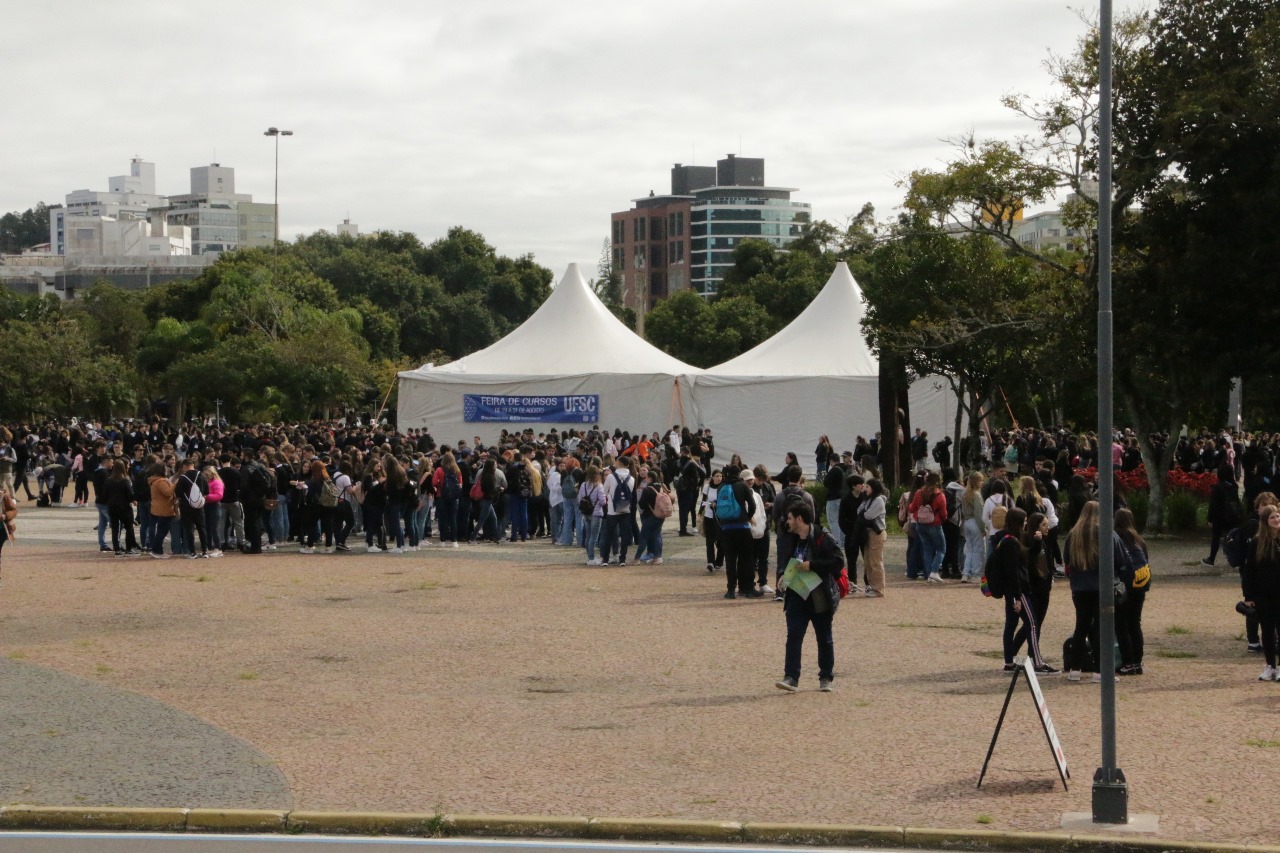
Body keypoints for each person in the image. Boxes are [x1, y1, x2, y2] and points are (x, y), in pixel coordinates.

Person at [775, 502, 844, 692]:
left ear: (799, 519)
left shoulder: (822, 536)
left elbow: (838, 561)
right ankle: (791, 677)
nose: (787, 522)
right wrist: (782, 575)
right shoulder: (791, 538)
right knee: (794, 636)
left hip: (819, 596)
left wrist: (812, 565)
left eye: (790, 518)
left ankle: (826, 677)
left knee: (824, 637)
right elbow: (785, 559)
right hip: (797, 595)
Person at [1062, 500, 1129, 682]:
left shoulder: (1073, 534)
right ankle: (1100, 671)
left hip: (1080, 588)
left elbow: (1066, 559)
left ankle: (1075, 669)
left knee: (1081, 627)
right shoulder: (1107, 533)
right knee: (1101, 629)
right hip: (1102, 587)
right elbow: (1121, 558)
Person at [990, 508, 1055, 673]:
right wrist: (1017, 597)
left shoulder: (1008, 540)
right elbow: (1013, 572)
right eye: (1024, 520)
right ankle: (1037, 662)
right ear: (1018, 522)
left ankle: (1009, 662)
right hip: (1018, 591)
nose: (1026, 522)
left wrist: (1037, 542)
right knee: (1032, 623)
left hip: (1011, 590)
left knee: (1011, 624)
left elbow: (1027, 556)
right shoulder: (1011, 543)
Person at [1242, 504, 1280, 681]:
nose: (1276, 520)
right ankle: (1270, 665)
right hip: (1263, 595)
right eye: (1272, 517)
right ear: (1265, 521)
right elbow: (1249, 570)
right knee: (1267, 631)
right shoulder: (1257, 542)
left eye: (1278, 516)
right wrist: (1248, 596)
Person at [1114, 508, 1149, 676]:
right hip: (1139, 585)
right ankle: (1138, 661)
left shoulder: (1116, 537)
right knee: (1135, 623)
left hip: (1123, 586)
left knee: (1122, 625)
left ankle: (1127, 661)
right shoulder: (1139, 540)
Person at [717, 467, 759, 599]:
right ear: (739, 475)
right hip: (742, 527)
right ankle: (747, 588)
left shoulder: (721, 487)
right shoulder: (742, 486)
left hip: (726, 528)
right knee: (746, 559)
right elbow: (752, 505)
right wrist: (747, 517)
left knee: (730, 560)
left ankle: (730, 590)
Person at [908, 471, 948, 583]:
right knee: (941, 548)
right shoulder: (940, 495)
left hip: (920, 524)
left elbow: (911, 508)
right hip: (935, 524)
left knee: (927, 549)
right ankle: (934, 572)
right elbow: (944, 513)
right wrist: (942, 519)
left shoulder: (919, 492)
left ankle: (928, 574)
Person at [1203, 463, 1243, 566]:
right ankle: (1236, 558)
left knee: (1216, 538)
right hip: (1231, 516)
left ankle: (1211, 558)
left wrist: (1209, 518)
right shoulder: (1233, 486)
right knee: (1232, 537)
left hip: (1219, 516)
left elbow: (1213, 504)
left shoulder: (1217, 487)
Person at [857, 478, 887, 597]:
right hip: (867, 533)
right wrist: (863, 512)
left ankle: (878, 589)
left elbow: (868, 515)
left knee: (876, 562)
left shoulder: (879, 500)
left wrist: (863, 513)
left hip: (876, 533)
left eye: (868, 487)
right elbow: (858, 510)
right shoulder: (868, 499)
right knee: (868, 562)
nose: (865, 489)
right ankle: (872, 585)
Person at [104, 460, 140, 555]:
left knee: (115, 528)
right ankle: (128, 548)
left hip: (112, 506)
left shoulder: (108, 480)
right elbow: (130, 494)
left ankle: (117, 549)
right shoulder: (125, 480)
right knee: (129, 528)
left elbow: (105, 494)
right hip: (124, 506)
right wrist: (134, 498)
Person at [959, 471, 986, 583]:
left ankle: (965, 573)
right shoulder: (976, 495)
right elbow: (979, 513)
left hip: (966, 522)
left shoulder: (965, 494)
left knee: (969, 549)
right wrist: (983, 528)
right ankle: (975, 574)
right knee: (978, 549)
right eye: (980, 481)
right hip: (975, 522)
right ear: (976, 482)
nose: (982, 483)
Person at [578, 465, 607, 566]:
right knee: (594, 537)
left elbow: (580, 498)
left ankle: (589, 556)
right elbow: (603, 501)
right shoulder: (599, 486)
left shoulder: (583, 485)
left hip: (586, 512)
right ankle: (591, 558)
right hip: (596, 512)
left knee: (588, 535)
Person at [699, 469, 725, 573]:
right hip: (708, 516)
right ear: (712, 477)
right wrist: (701, 511)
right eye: (717, 476)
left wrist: (717, 503)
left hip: (720, 517)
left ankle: (719, 561)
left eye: (720, 476)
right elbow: (703, 501)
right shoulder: (707, 487)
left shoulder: (724, 488)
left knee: (720, 541)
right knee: (709, 540)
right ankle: (710, 562)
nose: (719, 478)